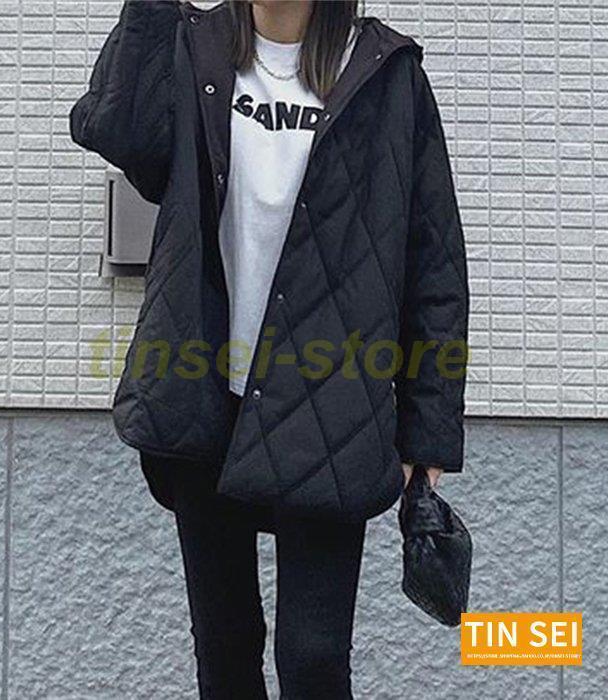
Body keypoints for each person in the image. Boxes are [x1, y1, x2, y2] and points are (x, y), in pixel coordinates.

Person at [70, 1, 469, 697]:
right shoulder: (196, 49)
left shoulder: (385, 73)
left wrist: (428, 428)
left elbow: (434, 264)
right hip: (205, 401)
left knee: (313, 658)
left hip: (332, 409)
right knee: (224, 647)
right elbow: (120, 130)